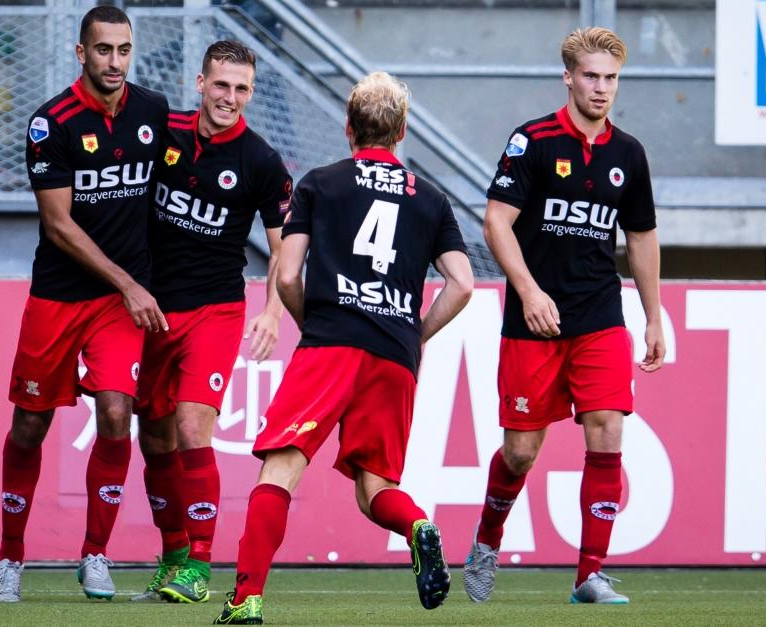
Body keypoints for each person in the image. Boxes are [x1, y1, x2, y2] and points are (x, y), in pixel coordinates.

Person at [213, 71, 474, 625]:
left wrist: (317, 325)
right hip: (395, 353)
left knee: (280, 470)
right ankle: (418, 526)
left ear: (348, 128)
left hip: (330, 342)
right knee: (375, 489)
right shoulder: (431, 199)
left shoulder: (320, 183)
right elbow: (463, 284)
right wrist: (415, 333)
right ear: (401, 131)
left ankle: (246, 599)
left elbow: (286, 275)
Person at [464, 27, 665, 605]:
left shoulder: (629, 154)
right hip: (533, 321)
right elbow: (495, 222)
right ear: (569, 77)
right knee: (521, 452)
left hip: (599, 315)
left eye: (611, 78)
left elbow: (643, 237)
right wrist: (527, 291)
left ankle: (589, 574)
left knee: (607, 430)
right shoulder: (533, 142)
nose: (602, 88)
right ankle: (486, 541)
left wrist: (654, 316)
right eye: (592, 76)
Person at [0, 6, 169, 603]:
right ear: (80, 52)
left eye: (123, 50)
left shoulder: (153, 111)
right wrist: (131, 283)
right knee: (30, 424)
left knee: (118, 412)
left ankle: (96, 555)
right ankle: (10, 558)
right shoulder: (52, 123)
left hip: (119, 303)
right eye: (103, 50)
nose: (114, 62)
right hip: (61, 296)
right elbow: (58, 225)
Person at [130, 40, 292, 605]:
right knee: (153, 435)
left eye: (241, 88)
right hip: (149, 310)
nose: (230, 98)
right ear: (200, 83)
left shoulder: (263, 162)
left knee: (193, 425)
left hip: (215, 311)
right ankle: (173, 554)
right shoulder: (161, 131)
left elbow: (283, 248)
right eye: (221, 85)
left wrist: (272, 311)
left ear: (251, 92)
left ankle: (199, 565)